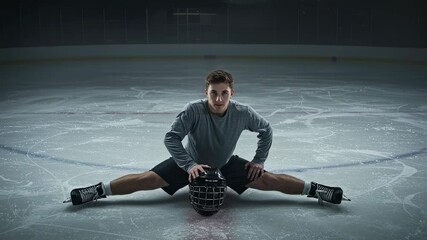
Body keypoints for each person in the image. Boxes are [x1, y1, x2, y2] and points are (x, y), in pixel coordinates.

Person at [65, 70, 348, 207]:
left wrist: (259, 159)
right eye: (213, 92)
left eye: (224, 92)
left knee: (269, 180)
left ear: (231, 93)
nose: (218, 98)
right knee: (145, 180)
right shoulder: (194, 109)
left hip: (225, 163)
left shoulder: (243, 112)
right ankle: (96, 191)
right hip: (192, 163)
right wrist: (188, 165)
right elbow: (172, 137)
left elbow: (267, 130)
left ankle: (318, 190)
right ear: (206, 91)